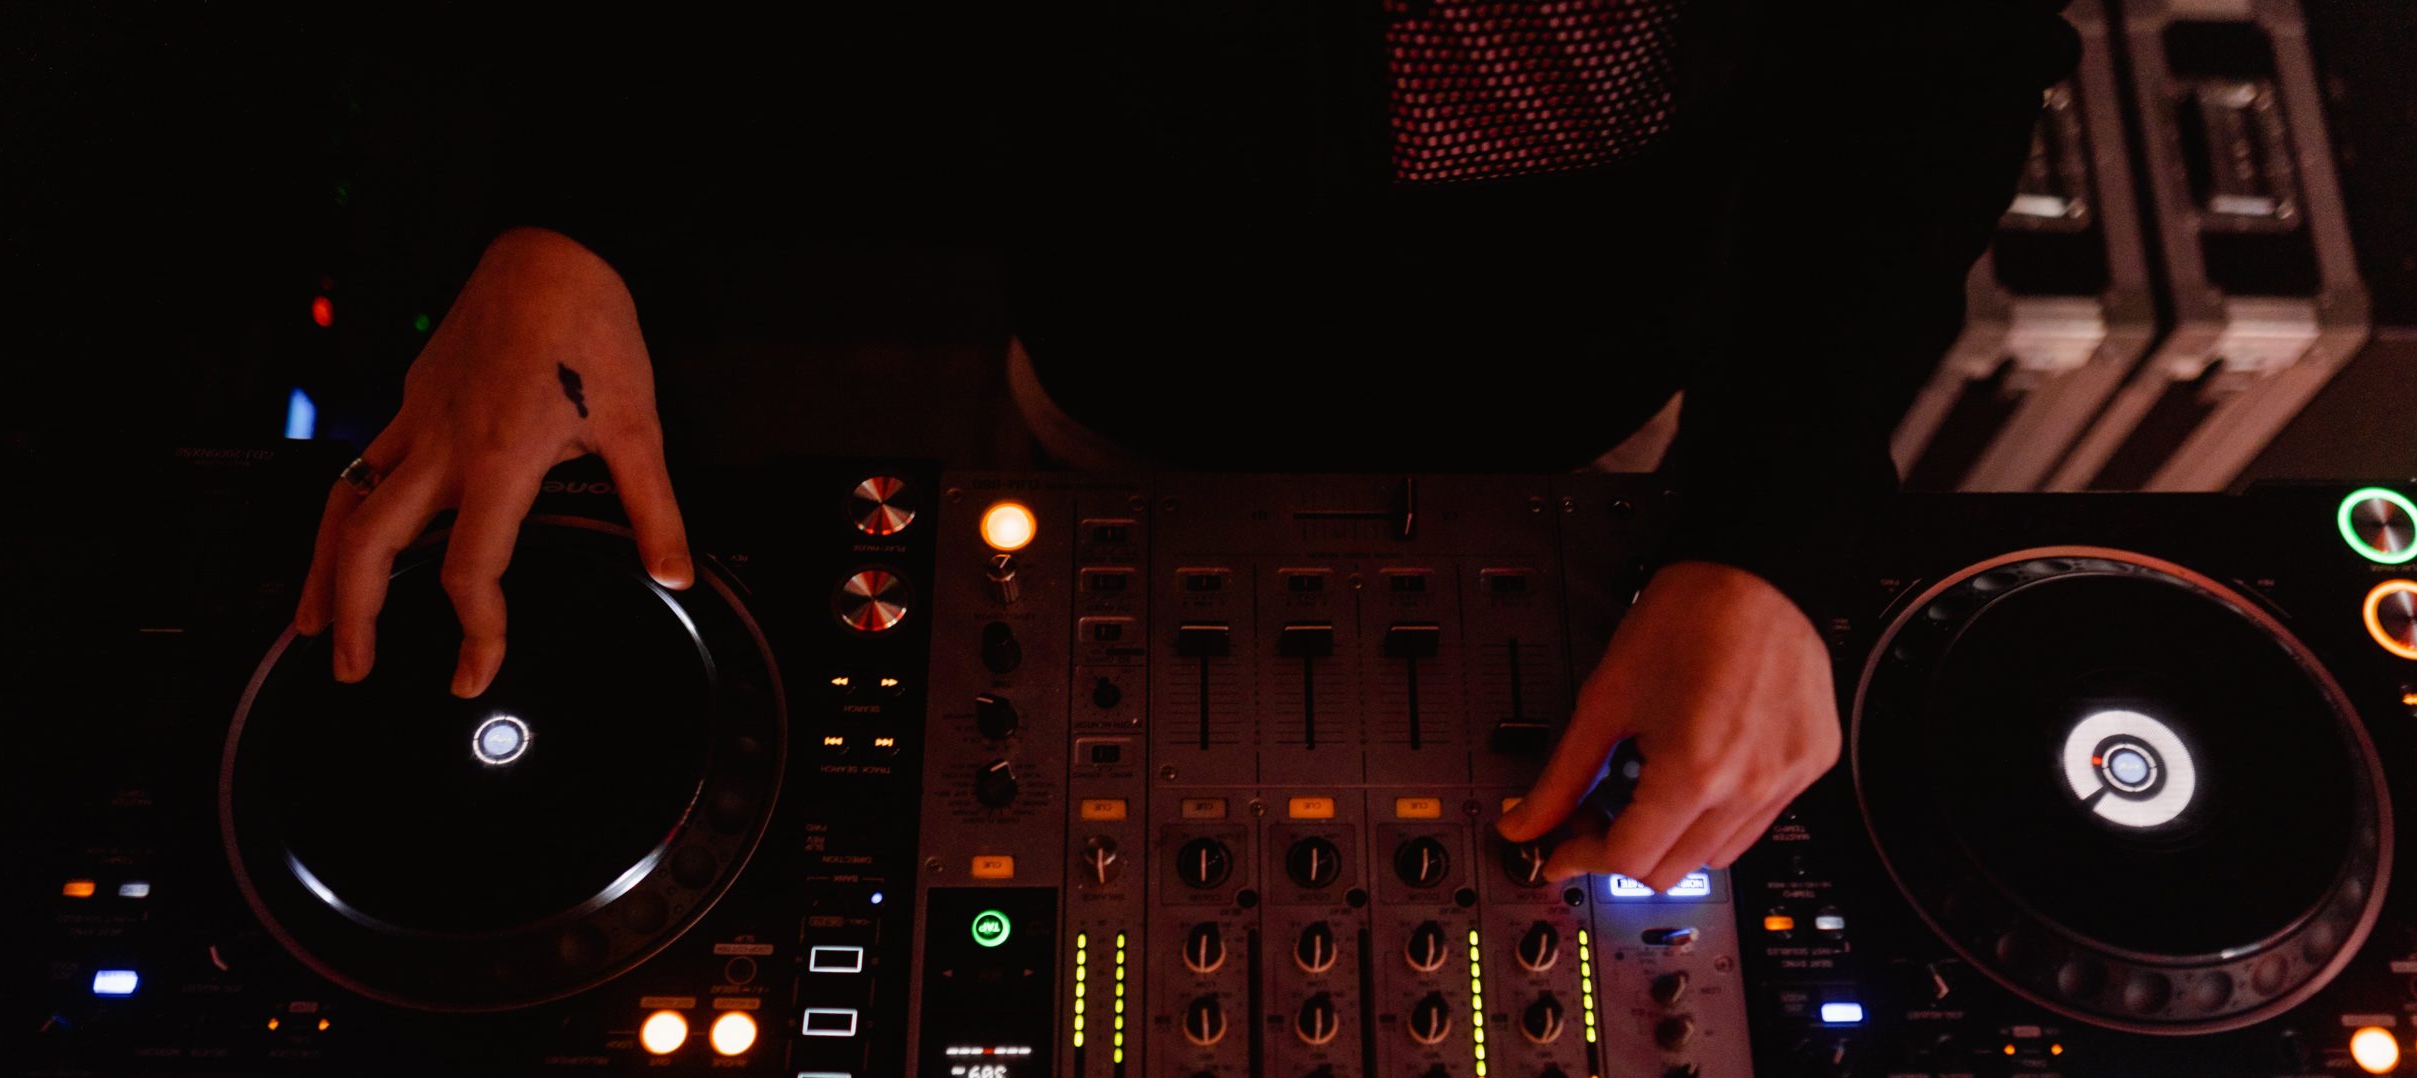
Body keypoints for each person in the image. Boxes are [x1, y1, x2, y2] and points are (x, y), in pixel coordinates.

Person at [292, 2, 2075, 893]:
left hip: (1599, 404)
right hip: (1123, 367)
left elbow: (1938, 61)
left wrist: (1770, 532)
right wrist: (566, 218)